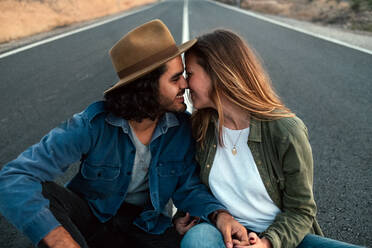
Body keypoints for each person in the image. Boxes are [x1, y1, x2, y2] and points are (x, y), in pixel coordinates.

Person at [0, 20, 248, 248]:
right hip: (92, 224)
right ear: (147, 87)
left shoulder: (181, 128)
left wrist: (219, 215)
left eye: (183, 75)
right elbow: (13, 177)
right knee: (44, 192)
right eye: (175, 78)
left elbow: (189, 188)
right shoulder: (92, 124)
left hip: (145, 229)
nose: (184, 84)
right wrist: (60, 241)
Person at [174, 29, 364, 248]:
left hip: (281, 239)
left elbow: (301, 210)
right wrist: (182, 218)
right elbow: (191, 187)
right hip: (221, 233)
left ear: (218, 73)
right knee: (197, 241)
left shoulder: (285, 130)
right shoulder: (200, 127)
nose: (186, 84)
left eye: (190, 74)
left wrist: (266, 243)